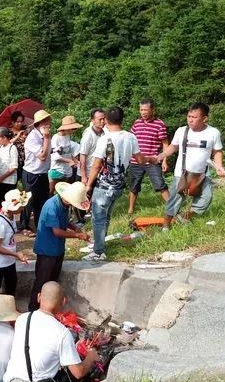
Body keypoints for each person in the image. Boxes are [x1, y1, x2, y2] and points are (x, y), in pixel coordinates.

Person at [84, 106, 153, 262]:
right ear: (122, 120)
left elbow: (96, 165)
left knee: (98, 218)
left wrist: (88, 186)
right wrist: (152, 158)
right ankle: (99, 244)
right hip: (119, 185)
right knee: (106, 216)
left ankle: (98, 251)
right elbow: (140, 160)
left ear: (106, 120)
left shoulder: (105, 139)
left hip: (104, 186)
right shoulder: (131, 137)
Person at [5, 282, 98, 382]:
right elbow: (78, 373)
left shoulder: (22, 319)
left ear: (39, 297)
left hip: (10, 381)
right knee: (82, 373)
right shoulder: (62, 333)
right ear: (63, 302)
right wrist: (91, 357)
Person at [156, 102, 225, 231]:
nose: (190, 120)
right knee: (175, 199)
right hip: (182, 173)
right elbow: (173, 147)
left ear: (204, 118)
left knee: (206, 198)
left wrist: (219, 166)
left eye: (194, 117)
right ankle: (166, 226)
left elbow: (217, 151)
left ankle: (185, 216)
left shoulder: (213, 132)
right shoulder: (182, 131)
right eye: (189, 116)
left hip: (202, 173)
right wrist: (160, 156)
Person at [30, 182, 91, 310]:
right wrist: (77, 236)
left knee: (53, 282)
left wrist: (75, 228)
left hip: (57, 249)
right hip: (47, 250)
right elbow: (56, 231)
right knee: (42, 283)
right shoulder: (52, 206)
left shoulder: (64, 205)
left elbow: (65, 222)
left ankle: (48, 308)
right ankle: (33, 308)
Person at [0, 189, 30, 310]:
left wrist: (14, 255)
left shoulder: (11, 217)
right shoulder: (0, 222)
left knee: (11, 284)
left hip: (9, 259)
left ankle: (9, 309)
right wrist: (16, 254)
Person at [128, 99, 170, 216]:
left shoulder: (159, 124)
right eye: (141, 110)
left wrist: (164, 161)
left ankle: (172, 208)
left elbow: (165, 143)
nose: (143, 112)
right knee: (134, 186)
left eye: (145, 109)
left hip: (152, 161)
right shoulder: (137, 123)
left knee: (160, 184)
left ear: (152, 110)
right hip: (136, 161)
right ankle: (130, 210)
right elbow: (130, 140)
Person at [21, 110, 52, 238]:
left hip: (43, 173)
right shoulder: (32, 137)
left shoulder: (46, 136)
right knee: (28, 202)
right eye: (47, 120)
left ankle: (40, 226)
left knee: (42, 201)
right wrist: (46, 138)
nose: (49, 123)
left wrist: (47, 138)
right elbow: (43, 156)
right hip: (31, 174)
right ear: (41, 123)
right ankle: (24, 226)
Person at [49, 116, 83, 195]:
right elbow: (55, 156)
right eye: (72, 129)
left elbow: (68, 150)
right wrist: (69, 161)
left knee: (63, 193)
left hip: (66, 170)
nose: (73, 131)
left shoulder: (67, 136)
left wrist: (74, 160)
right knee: (51, 192)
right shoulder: (56, 138)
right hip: (57, 170)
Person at [0, 127, 19, 206]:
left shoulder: (12, 148)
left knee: (9, 204)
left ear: (4, 138)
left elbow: (14, 167)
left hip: (9, 181)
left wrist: (2, 177)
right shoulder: (0, 147)